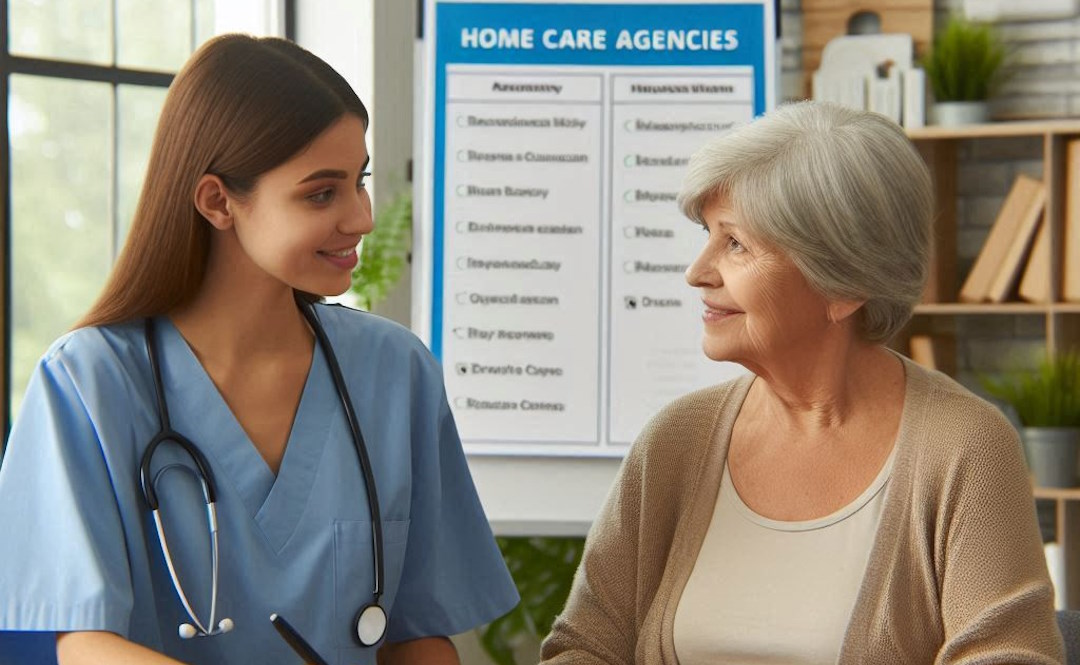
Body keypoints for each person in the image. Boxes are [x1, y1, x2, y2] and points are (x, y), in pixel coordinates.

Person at [0, 34, 518, 665]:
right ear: (218, 201)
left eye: (360, 181)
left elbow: (418, 635)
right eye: (322, 193)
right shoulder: (89, 382)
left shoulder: (395, 372)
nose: (362, 218)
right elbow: (85, 643)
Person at [540, 101, 1064, 664]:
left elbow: (1010, 655)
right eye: (707, 235)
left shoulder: (965, 449)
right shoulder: (675, 442)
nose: (697, 272)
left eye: (735, 243)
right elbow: (584, 648)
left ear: (843, 282)